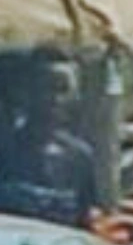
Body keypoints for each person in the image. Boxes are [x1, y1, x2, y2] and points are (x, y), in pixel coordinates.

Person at [0, 59, 100, 231]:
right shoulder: (6, 150)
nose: (54, 99)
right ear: (27, 94)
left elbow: (85, 219)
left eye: (62, 90)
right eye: (46, 89)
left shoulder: (79, 157)